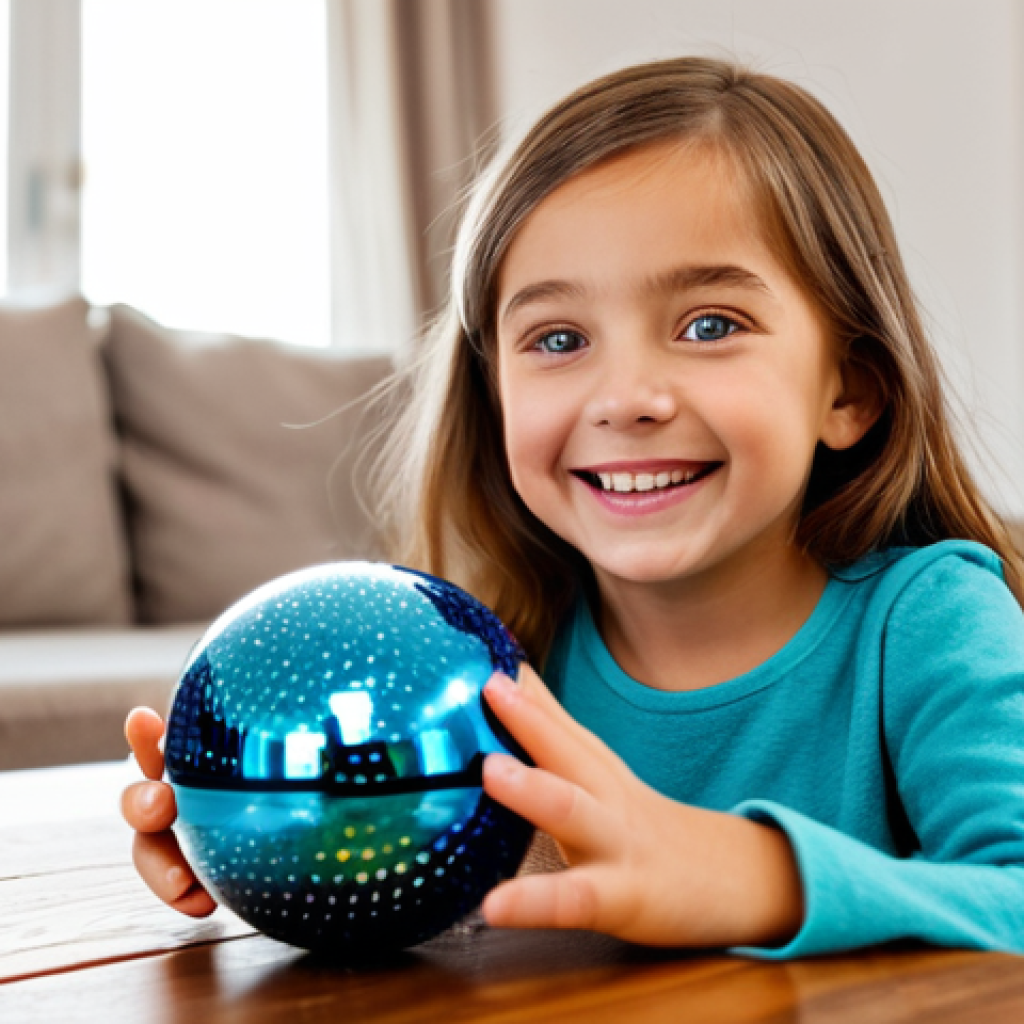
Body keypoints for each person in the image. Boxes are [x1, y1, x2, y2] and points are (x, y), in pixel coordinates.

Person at [121, 56, 1024, 957]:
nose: (625, 397)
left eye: (710, 324)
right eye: (558, 339)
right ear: (494, 393)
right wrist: (274, 843)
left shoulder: (931, 620)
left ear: (850, 391)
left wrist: (748, 876)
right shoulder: (491, 668)